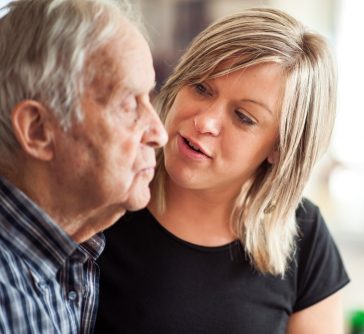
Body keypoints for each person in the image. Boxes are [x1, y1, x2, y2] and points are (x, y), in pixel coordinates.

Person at [96, 7, 349, 334]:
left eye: (244, 117)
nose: (204, 122)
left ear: (280, 148)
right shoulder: (102, 200)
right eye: (201, 88)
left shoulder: (305, 234)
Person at [0, 0, 167, 333]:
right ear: (38, 130)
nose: (159, 133)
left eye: (149, 98)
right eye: (128, 105)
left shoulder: (73, 253)